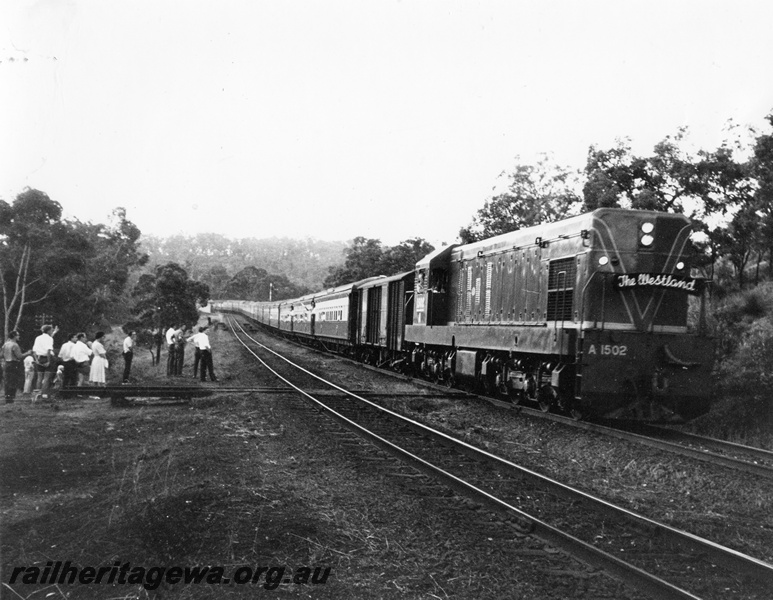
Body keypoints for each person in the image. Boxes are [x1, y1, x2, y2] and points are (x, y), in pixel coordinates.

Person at [3, 331, 30, 403]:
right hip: (14, 364)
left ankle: (7, 398)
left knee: (7, 381)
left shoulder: (5, 344)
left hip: (6, 363)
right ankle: (11, 399)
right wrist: (28, 353)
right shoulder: (15, 345)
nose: (19, 337)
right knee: (13, 381)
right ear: (14, 336)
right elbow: (20, 356)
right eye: (18, 335)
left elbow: (1, 354)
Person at [32, 324, 58, 396]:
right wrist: (49, 361)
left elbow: (34, 350)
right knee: (46, 377)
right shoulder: (49, 339)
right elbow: (48, 351)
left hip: (39, 358)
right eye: (52, 330)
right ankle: (44, 394)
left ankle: (37, 394)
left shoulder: (38, 338)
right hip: (47, 358)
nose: (52, 331)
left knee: (39, 378)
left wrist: (36, 360)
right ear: (49, 330)